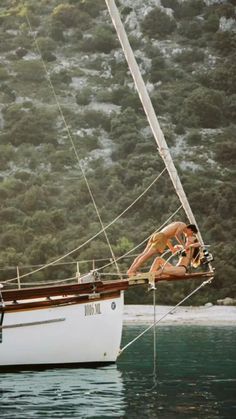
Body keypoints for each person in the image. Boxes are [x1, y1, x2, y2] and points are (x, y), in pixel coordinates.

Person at [127, 221, 198, 277]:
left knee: (144, 254)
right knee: (147, 255)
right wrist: (184, 246)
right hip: (161, 237)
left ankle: (131, 270)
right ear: (190, 229)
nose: (189, 235)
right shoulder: (183, 225)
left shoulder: (177, 224)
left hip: (157, 235)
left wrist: (172, 248)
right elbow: (177, 235)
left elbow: (166, 238)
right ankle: (132, 271)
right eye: (192, 233)